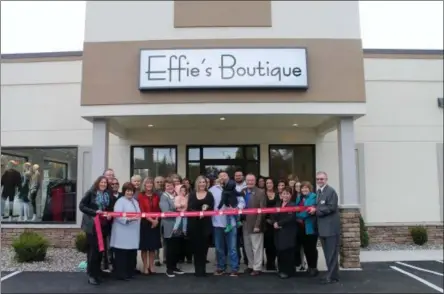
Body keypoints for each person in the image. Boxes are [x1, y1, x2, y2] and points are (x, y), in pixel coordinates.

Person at [79, 176, 114, 285]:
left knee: (100, 251)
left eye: (105, 182)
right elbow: (82, 206)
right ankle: (91, 275)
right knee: (93, 252)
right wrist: (94, 212)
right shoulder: (91, 192)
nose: (103, 184)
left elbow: (109, 209)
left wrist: (109, 215)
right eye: (101, 182)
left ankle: (97, 272)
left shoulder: (107, 194)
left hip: (103, 226)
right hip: (92, 227)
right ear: (98, 183)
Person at [307, 171, 340, 284]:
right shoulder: (319, 192)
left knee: (332, 253)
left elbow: (332, 207)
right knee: (327, 254)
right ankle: (331, 274)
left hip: (331, 228)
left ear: (326, 179)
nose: (320, 181)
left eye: (322, 179)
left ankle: (332, 277)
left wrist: (316, 210)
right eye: (318, 179)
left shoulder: (331, 191)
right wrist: (313, 208)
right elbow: (319, 206)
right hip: (322, 228)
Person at [211, 171, 245, 276]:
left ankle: (234, 269)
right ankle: (221, 267)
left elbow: (242, 202)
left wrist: (235, 208)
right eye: (220, 176)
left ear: (228, 177)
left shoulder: (235, 188)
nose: (223, 178)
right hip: (218, 223)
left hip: (232, 223)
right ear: (218, 178)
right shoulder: (212, 190)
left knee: (233, 248)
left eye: (225, 176)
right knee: (219, 248)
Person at [111, 182, 141, 281]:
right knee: (122, 254)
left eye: (131, 191)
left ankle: (130, 272)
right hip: (122, 232)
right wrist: (128, 220)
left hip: (133, 232)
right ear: (124, 191)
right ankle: (121, 274)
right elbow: (117, 215)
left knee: (131, 253)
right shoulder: (120, 201)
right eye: (128, 191)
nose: (130, 193)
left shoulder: (135, 201)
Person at [187, 176, 215, 277]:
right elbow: (189, 208)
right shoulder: (192, 194)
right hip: (194, 224)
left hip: (205, 224)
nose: (202, 184)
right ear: (197, 184)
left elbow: (212, 207)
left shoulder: (209, 194)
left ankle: (202, 270)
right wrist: (199, 213)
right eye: (200, 182)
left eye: (204, 182)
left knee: (204, 248)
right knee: (196, 248)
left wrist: (206, 209)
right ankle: (197, 270)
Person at [159, 177, 185, 278]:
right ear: (164, 187)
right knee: (170, 248)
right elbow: (165, 211)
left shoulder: (176, 195)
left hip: (177, 225)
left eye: (171, 185)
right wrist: (178, 211)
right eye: (167, 185)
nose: (170, 187)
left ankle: (174, 267)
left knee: (176, 247)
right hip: (168, 225)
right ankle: (169, 269)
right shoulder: (164, 197)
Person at [242, 174, 267, 276]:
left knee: (257, 247)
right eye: (248, 180)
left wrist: (257, 224)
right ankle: (251, 265)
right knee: (247, 246)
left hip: (256, 224)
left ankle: (257, 267)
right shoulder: (242, 191)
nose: (250, 182)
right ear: (245, 181)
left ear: (255, 181)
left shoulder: (261, 192)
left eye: (252, 180)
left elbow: (262, 211)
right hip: (244, 223)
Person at [272, 186, 297, 279]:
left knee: (287, 251)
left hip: (288, 231)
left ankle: (288, 271)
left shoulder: (293, 205)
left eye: (287, 193)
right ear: (280, 195)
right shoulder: (278, 204)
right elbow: (272, 214)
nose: (285, 195)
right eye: (284, 193)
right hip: (278, 231)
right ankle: (281, 270)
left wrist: (279, 223)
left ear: (291, 195)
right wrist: (274, 222)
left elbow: (291, 217)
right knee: (280, 251)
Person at [138, 177, 162, 275]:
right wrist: (151, 220)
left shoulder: (156, 196)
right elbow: (142, 210)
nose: (149, 185)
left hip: (155, 223)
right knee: (144, 247)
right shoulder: (140, 196)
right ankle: (145, 266)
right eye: (147, 183)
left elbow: (159, 209)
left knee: (152, 247)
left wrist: (156, 220)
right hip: (145, 223)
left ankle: (151, 266)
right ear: (144, 185)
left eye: (151, 183)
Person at [295, 181, 319, 277]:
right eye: (302, 188)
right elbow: (295, 210)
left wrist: (299, 215)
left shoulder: (314, 197)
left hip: (310, 227)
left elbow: (306, 212)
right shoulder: (299, 198)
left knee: (311, 249)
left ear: (310, 189)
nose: (304, 190)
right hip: (300, 228)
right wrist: (298, 215)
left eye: (306, 188)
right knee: (304, 248)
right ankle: (308, 267)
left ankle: (313, 267)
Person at [264, 178, 279, 271]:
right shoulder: (262, 194)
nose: (269, 184)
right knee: (268, 244)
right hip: (266, 222)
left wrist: (274, 220)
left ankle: (274, 262)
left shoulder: (278, 194)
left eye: (270, 183)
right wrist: (266, 219)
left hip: (276, 222)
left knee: (275, 243)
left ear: (274, 184)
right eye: (267, 183)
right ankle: (269, 262)